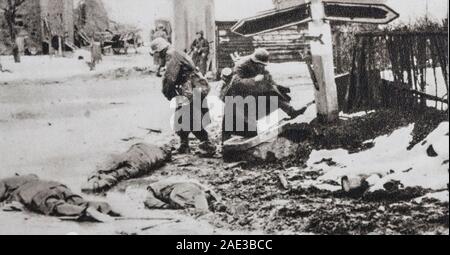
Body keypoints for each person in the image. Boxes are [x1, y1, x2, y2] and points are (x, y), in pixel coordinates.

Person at [221, 48, 307, 141]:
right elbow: (235, 83)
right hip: (235, 95)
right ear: (255, 61)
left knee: (271, 95)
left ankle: (291, 111)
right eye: (261, 64)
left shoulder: (260, 65)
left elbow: (267, 77)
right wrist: (254, 80)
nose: (262, 66)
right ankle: (227, 138)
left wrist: (277, 86)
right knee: (236, 119)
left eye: (263, 65)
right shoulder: (241, 65)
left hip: (249, 93)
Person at [150, 38, 216, 155]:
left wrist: (168, 93)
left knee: (189, 118)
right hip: (193, 88)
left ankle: (207, 144)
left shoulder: (171, 54)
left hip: (191, 89)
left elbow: (170, 78)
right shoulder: (174, 52)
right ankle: (184, 145)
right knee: (182, 118)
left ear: (160, 50)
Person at [0, 174, 118, 222]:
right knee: (77, 200)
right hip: (55, 185)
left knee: (55, 205)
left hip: (36, 193)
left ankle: (84, 211)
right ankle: (106, 207)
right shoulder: (27, 176)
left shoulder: (3, 183)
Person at [144, 180, 223, 214]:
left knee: (185, 202)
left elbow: (148, 201)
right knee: (197, 197)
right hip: (190, 186)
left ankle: (209, 206)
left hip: (182, 189)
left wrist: (166, 206)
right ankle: (213, 203)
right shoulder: (154, 189)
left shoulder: (153, 189)